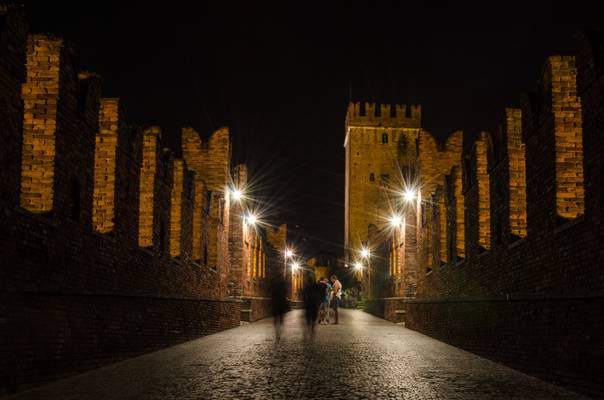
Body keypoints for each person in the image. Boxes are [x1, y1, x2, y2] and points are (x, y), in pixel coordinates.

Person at [270, 274, 288, 341]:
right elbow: (286, 292)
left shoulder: (274, 283)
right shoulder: (283, 284)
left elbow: (270, 290)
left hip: (275, 302)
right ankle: (280, 331)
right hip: (281, 303)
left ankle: (277, 331)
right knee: (281, 318)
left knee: (276, 318)